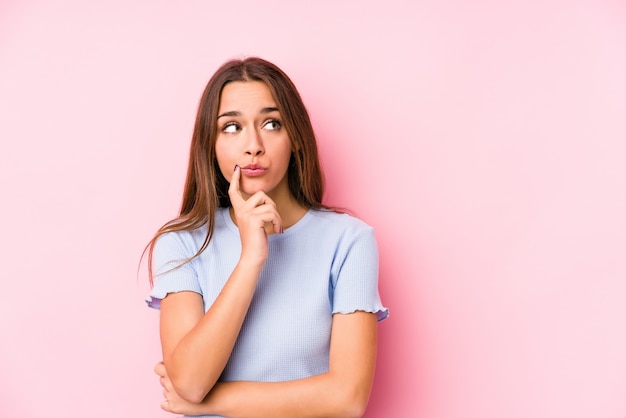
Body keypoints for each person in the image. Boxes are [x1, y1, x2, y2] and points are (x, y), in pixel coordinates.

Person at [144, 56, 388, 418]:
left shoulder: (349, 241)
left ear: (297, 139)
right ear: (209, 144)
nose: (253, 145)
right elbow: (190, 381)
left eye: (272, 124)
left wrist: (211, 402)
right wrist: (251, 259)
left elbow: (347, 398)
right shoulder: (182, 243)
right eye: (231, 127)